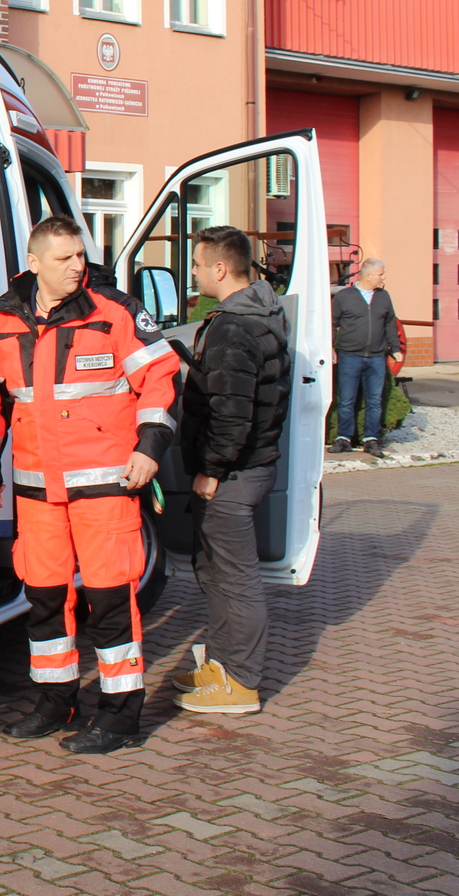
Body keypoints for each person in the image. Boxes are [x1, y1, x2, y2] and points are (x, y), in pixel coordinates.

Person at [0, 215, 181, 754]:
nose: (76, 266)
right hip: (36, 491)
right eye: (63, 258)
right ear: (33, 263)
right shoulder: (2, 324)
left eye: (79, 256)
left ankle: (121, 716)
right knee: (43, 598)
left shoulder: (115, 312)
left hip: (104, 486)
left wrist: (149, 448)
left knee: (109, 602)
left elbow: (160, 376)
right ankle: (55, 701)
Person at [171, 226, 291, 717]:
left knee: (233, 578)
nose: (195, 273)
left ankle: (240, 683)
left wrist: (212, 470)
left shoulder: (232, 328)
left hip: (233, 475)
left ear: (220, 269)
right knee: (216, 572)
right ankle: (220, 665)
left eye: (198, 265)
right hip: (250, 468)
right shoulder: (260, 311)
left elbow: (231, 412)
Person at [331, 259, 403, 454]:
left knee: (374, 400)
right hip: (349, 356)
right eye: (381, 274)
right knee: (346, 399)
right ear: (368, 275)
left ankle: (371, 439)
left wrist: (395, 348)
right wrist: (330, 347)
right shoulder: (344, 297)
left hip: (376, 357)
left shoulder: (383, 297)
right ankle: (344, 438)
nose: (383, 277)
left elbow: (390, 323)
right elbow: (332, 322)